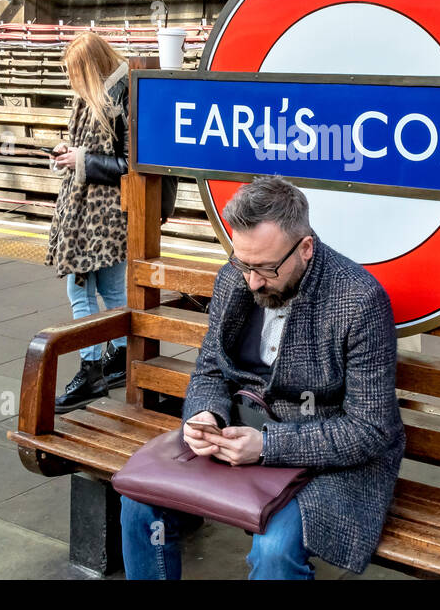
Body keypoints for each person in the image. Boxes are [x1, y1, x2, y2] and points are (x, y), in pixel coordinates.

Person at [119, 175, 405, 578]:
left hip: (325, 456)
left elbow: (371, 428)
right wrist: (205, 415)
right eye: (243, 263)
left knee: (273, 552)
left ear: (305, 248)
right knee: (139, 504)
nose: (252, 281)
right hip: (237, 433)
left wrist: (269, 446)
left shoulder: (358, 300)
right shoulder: (235, 275)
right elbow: (210, 368)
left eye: (266, 269)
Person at [46, 33, 132, 413]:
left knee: (80, 296)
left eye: (75, 72)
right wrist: (71, 152)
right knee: (114, 295)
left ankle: (91, 371)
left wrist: (81, 159)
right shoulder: (104, 97)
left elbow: (131, 166)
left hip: (98, 219)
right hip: (104, 215)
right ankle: (124, 360)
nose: (71, 81)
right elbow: (98, 152)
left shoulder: (119, 99)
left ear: (92, 68)